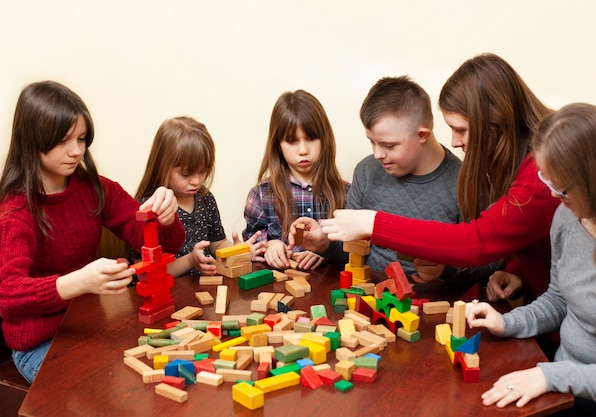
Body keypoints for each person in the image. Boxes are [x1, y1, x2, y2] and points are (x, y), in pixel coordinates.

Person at [291, 53, 560, 304]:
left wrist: (374, 223)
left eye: (461, 130)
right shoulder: (367, 171)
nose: (454, 141)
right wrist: (325, 244)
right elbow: (519, 237)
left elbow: (481, 242)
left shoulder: (538, 177)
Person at [0, 81, 186, 383]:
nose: (77, 151)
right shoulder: (16, 210)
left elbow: (167, 244)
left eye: (83, 139)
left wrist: (164, 217)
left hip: (89, 324)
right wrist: (79, 282)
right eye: (63, 141)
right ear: (33, 140)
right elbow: (8, 296)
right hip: (37, 344)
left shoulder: (95, 188)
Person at [466, 103, 596, 416]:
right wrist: (507, 322)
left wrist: (549, 376)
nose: (553, 198)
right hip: (561, 378)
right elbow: (559, 298)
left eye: (561, 189)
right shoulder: (567, 216)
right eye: (546, 182)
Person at [309, 75, 496, 281]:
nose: (378, 154)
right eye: (372, 142)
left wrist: (444, 269)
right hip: (370, 296)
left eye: (389, 145)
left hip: (433, 305)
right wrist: (323, 244)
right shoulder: (366, 171)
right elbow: (352, 250)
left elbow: (489, 264)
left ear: (422, 135)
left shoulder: (468, 183)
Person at [135, 116, 265, 277]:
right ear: (163, 166)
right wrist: (190, 261)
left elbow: (217, 243)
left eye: (203, 171)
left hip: (204, 288)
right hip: (167, 293)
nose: (196, 181)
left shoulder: (205, 198)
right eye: (186, 174)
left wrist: (239, 252)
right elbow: (146, 274)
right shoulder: (150, 208)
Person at [242, 89, 349, 271]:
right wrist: (270, 246)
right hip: (279, 290)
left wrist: (325, 250)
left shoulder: (347, 193)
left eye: (311, 138)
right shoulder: (261, 194)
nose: (303, 150)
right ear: (278, 145)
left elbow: (355, 249)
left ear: (325, 139)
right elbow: (250, 244)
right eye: (292, 141)